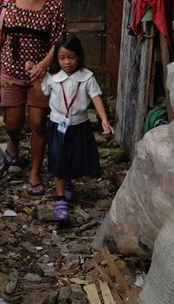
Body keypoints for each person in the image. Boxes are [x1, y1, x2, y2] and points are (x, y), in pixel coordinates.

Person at [0, 0, 67, 196]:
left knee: (39, 123)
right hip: (10, 70)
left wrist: (43, 64)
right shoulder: (6, 0)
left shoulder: (53, 5)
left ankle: (35, 172)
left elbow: (59, 40)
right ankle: (13, 142)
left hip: (41, 75)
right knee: (12, 123)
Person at [38, 34, 113, 221]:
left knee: (74, 156)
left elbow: (96, 97)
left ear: (79, 56)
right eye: (62, 58)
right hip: (57, 125)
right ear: (56, 58)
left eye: (71, 57)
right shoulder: (52, 77)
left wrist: (104, 120)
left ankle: (67, 183)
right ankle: (60, 197)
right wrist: (35, 79)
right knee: (58, 157)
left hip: (79, 125)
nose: (67, 62)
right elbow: (42, 94)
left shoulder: (87, 77)